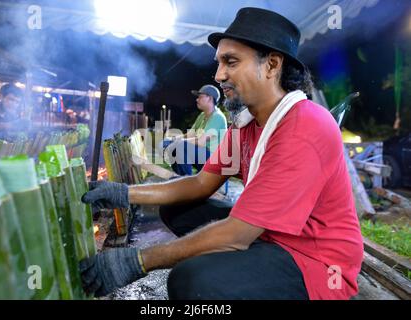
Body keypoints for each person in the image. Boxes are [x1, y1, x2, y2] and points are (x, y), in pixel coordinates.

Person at [79, 8, 364, 300]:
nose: (219, 76)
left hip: (314, 261)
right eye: (218, 63)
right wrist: (125, 193)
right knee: (177, 208)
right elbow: (200, 183)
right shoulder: (246, 124)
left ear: (272, 65)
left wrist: (138, 261)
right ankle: (234, 269)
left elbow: (238, 233)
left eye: (231, 62)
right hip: (268, 236)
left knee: (191, 282)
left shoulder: (304, 125)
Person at [165, 84, 227, 175]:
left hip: (215, 158)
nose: (197, 99)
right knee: (168, 144)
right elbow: (190, 135)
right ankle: (178, 177)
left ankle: (186, 182)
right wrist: (173, 139)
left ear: (209, 98)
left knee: (180, 146)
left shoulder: (217, 117)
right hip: (203, 153)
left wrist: (179, 142)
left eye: (200, 97)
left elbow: (201, 142)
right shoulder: (202, 115)